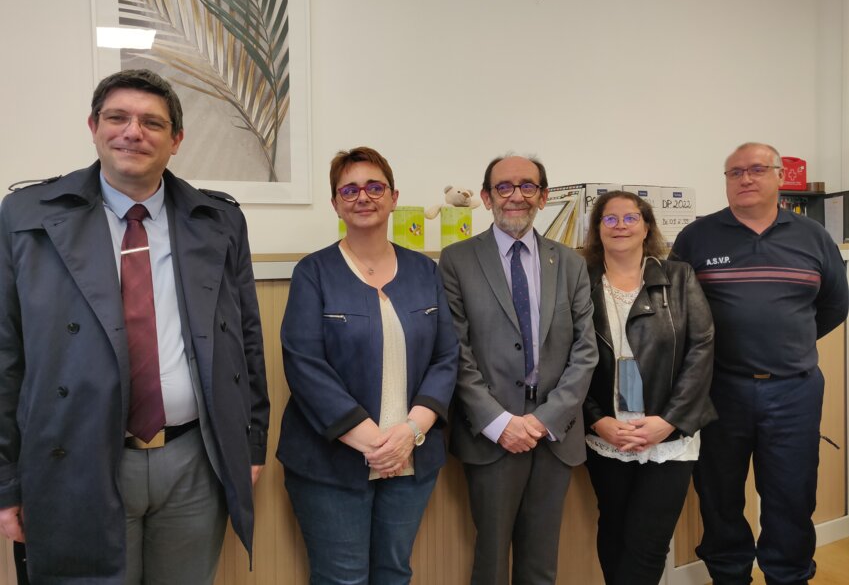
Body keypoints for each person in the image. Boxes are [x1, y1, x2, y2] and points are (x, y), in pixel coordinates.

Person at [0, 69, 270, 584]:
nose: (133, 132)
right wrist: (6, 482)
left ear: (176, 141)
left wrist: (250, 445)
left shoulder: (218, 220)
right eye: (117, 117)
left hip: (195, 459)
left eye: (152, 122)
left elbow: (246, 340)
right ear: (93, 127)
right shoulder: (26, 216)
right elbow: (5, 356)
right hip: (75, 459)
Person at [278, 147, 459, 584]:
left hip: (411, 457)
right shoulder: (314, 272)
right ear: (336, 203)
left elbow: (446, 356)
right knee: (343, 578)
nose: (364, 197)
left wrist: (409, 433)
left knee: (394, 572)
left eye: (375, 187)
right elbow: (305, 364)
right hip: (331, 461)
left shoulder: (423, 271)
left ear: (394, 197)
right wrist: (375, 443)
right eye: (350, 189)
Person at [671, 142, 849, 585]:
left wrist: (787, 345)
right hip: (717, 391)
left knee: (791, 497)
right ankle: (729, 575)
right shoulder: (697, 237)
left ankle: (788, 575)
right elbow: (674, 310)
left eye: (756, 170)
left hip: (794, 391)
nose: (745, 179)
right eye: (734, 173)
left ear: (778, 176)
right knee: (718, 496)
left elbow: (834, 305)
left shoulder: (813, 237)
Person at [439, 154, 597, 585]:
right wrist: (499, 422)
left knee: (541, 563)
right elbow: (455, 350)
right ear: (487, 198)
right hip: (492, 435)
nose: (515, 196)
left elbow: (585, 351)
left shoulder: (570, 263)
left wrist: (544, 421)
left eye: (527, 186)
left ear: (543, 197)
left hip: (554, 434)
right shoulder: (456, 260)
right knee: (490, 562)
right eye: (504, 187)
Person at [581, 191, 715, 585]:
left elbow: (702, 348)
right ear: (597, 230)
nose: (620, 226)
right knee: (615, 529)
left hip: (667, 436)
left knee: (649, 540)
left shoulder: (678, 276)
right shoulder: (580, 281)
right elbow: (568, 359)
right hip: (608, 433)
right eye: (609, 219)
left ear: (647, 227)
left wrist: (670, 421)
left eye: (630, 218)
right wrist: (596, 420)